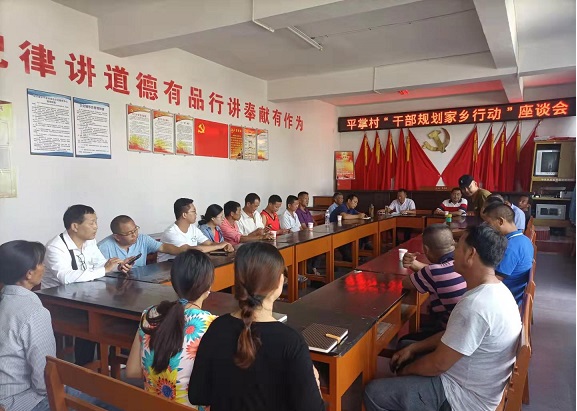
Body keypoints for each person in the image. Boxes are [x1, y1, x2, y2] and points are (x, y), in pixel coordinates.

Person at [364, 224, 521, 411]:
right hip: (477, 383)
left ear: (470, 254)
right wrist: (415, 348)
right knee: (407, 347)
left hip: (462, 398)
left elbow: (437, 364)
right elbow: (454, 335)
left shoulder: (475, 306)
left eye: (458, 246)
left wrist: (405, 372)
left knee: (373, 392)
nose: (453, 252)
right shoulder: (497, 290)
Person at [188, 242, 324, 411]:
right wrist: (315, 383)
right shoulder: (291, 341)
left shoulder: (217, 328)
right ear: (279, 282)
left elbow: (198, 395)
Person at [0, 241, 119, 411]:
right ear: (29, 274)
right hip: (23, 401)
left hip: (8, 395)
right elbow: (44, 382)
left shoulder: (6, 302)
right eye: (41, 263)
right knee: (111, 396)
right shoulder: (34, 312)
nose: (44, 267)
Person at [125, 250, 216, 408]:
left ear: (174, 282)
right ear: (208, 286)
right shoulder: (212, 324)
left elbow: (132, 371)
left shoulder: (149, 315)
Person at [401, 224, 467, 336]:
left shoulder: (433, 272)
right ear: (453, 242)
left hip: (448, 333)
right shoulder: (464, 262)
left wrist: (418, 267)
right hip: (466, 330)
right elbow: (437, 272)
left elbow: (406, 283)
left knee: (404, 341)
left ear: (426, 249)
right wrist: (414, 264)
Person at [43, 204, 123, 289]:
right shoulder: (55, 247)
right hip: (57, 295)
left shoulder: (90, 241)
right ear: (75, 227)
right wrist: (105, 270)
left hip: (85, 290)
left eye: (96, 222)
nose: (96, 227)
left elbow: (99, 264)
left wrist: (118, 266)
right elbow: (66, 277)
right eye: (91, 223)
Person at [483, 203, 533, 304]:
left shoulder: (510, 247)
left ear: (500, 221)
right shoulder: (524, 239)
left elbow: (493, 281)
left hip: (506, 298)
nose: (486, 227)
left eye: (488, 223)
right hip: (515, 292)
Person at [98, 215, 191, 268]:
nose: (134, 235)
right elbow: (99, 272)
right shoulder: (103, 248)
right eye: (129, 233)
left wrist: (181, 250)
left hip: (140, 283)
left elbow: (163, 247)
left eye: (135, 230)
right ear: (117, 237)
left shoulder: (142, 239)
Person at [158, 198, 233, 262]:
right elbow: (191, 250)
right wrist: (219, 246)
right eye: (193, 211)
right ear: (184, 215)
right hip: (168, 268)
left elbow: (209, 243)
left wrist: (225, 245)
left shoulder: (193, 228)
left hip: (186, 264)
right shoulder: (172, 233)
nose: (196, 214)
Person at [329, 194, 366, 262]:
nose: (356, 204)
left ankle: (356, 254)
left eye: (357, 203)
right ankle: (348, 257)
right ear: (349, 201)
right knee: (346, 238)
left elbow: (359, 214)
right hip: (334, 231)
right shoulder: (342, 206)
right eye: (354, 202)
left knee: (361, 234)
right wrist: (358, 216)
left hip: (343, 229)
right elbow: (345, 216)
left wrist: (362, 215)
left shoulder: (351, 209)